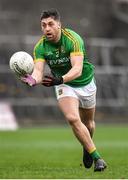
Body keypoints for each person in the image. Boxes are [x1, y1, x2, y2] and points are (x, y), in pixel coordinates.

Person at [21, 9, 107, 172]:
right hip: (63, 85)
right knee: (72, 118)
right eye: (43, 25)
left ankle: (86, 146)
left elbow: (77, 69)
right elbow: (38, 71)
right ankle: (98, 158)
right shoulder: (40, 47)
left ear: (59, 25)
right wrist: (33, 80)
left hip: (85, 82)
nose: (47, 28)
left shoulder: (73, 39)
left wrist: (59, 79)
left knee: (88, 124)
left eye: (51, 24)